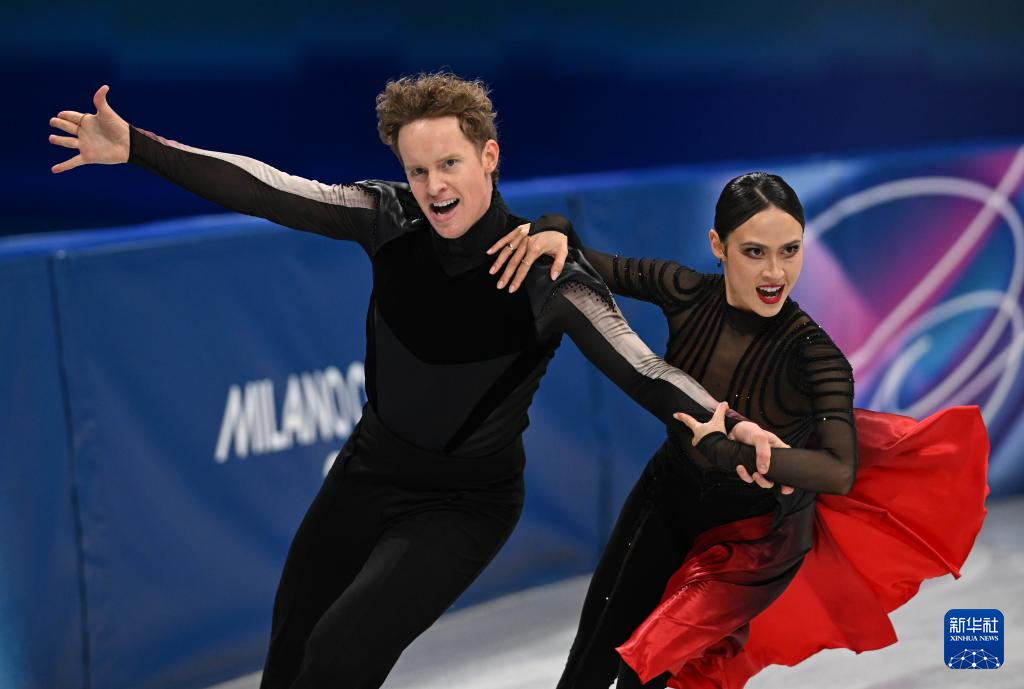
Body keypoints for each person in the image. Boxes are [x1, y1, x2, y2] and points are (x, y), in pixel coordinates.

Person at [48, 76, 783, 689]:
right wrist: (137, 146)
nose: (434, 187)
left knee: (338, 657)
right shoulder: (387, 217)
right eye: (418, 170)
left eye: (450, 164)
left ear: (489, 157)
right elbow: (267, 188)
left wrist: (725, 422)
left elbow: (644, 367)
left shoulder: (550, 274)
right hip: (366, 474)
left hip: (464, 505)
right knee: (290, 662)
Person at [489, 172, 989, 688]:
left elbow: (838, 471)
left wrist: (732, 453)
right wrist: (553, 228)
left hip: (752, 539)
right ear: (718, 246)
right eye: (754, 252)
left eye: (790, 250)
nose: (775, 272)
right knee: (590, 657)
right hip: (667, 495)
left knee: (646, 667)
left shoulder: (815, 356)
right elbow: (578, 254)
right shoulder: (683, 291)